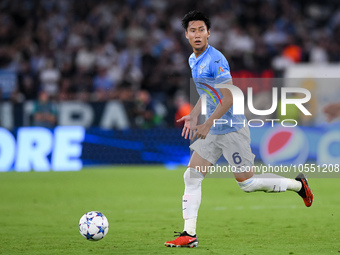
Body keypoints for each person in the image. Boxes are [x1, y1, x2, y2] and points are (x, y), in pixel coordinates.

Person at [164, 10, 314, 248]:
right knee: (191, 176)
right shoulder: (193, 60)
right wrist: (194, 114)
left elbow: (229, 97)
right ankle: (189, 234)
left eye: (201, 30)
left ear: (209, 33)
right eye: (192, 30)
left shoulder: (216, 60)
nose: (197, 34)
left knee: (247, 184)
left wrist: (208, 121)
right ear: (186, 35)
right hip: (212, 130)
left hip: (231, 128)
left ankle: (299, 185)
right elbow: (207, 92)